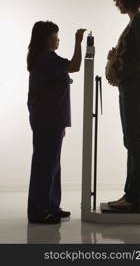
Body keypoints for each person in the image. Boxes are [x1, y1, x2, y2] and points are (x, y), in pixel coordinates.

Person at [27, 21, 86, 223]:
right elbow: (75, 66)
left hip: (52, 120)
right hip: (47, 120)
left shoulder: (46, 58)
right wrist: (78, 41)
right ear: (46, 39)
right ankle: (39, 212)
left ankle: (51, 206)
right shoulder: (46, 58)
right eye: (56, 35)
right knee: (45, 164)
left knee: (52, 164)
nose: (58, 39)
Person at [106, 0, 140, 211]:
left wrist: (120, 73)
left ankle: (134, 198)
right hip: (130, 86)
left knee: (134, 142)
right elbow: (133, 52)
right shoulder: (133, 22)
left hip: (134, 86)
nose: (115, 2)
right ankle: (129, 195)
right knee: (130, 141)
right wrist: (117, 55)